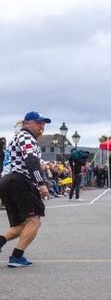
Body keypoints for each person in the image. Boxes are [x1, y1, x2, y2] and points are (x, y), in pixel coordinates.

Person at [0, 111, 51, 267]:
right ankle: (17, 257)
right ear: (27, 123)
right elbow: (30, 159)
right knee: (35, 220)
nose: (42, 126)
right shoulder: (26, 136)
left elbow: (28, 158)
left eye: (43, 123)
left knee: (21, 225)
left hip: (7, 181)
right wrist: (41, 183)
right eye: (38, 123)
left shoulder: (19, 138)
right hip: (19, 181)